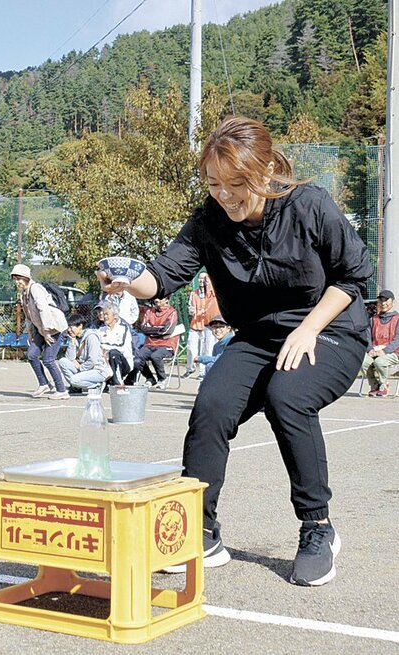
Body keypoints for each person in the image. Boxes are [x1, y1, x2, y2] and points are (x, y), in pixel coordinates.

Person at [98, 117, 372, 587]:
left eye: (236, 183)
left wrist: (307, 329)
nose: (224, 194)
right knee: (211, 407)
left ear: (265, 171)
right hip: (258, 336)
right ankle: (200, 531)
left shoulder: (309, 206)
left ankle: (318, 528)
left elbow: (354, 277)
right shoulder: (208, 220)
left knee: (288, 398)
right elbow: (161, 278)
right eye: (214, 183)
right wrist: (129, 276)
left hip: (328, 328)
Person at [11, 264, 69, 400]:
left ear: (26, 278)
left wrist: (47, 331)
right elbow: (28, 315)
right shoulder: (23, 294)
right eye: (15, 279)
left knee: (48, 359)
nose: (17, 282)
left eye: (19, 278)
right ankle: (44, 384)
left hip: (54, 326)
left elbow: (43, 309)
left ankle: (62, 390)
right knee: (31, 355)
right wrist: (31, 333)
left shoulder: (35, 289)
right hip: (40, 328)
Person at [128, 297, 179, 389]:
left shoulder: (172, 312)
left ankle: (162, 379)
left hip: (166, 345)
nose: (156, 299)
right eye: (155, 298)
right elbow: (143, 328)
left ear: (166, 299)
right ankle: (150, 378)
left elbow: (167, 330)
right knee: (137, 358)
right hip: (149, 344)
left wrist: (152, 330)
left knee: (155, 356)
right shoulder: (149, 312)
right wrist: (158, 329)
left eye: (160, 298)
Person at [57, 314, 112, 393]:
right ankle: (77, 387)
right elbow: (69, 358)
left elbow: (93, 360)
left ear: (80, 326)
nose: (69, 330)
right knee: (63, 361)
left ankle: (97, 385)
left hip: (98, 371)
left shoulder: (91, 337)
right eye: (68, 327)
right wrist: (72, 342)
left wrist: (80, 367)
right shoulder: (76, 338)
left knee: (73, 380)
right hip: (86, 369)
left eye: (71, 327)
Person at [359, 290, 399, 397]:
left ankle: (384, 385)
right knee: (362, 361)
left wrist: (385, 351)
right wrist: (370, 349)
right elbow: (367, 337)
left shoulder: (398, 318)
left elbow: (398, 340)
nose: (383, 303)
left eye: (386, 300)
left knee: (380, 362)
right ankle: (374, 385)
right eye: (381, 300)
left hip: (393, 353)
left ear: (393, 302)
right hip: (375, 351)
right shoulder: (372, 319)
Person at [185, 272, 219, 378]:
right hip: (195, 325)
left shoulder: (212, 294)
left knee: (207, 349)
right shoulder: (194, 293)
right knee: (191, 348)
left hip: (207, 325)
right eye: (200, 279)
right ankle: (190, 368)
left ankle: (203, 372)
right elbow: (190, 309)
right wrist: (194, 311)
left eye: (204, 279)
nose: (202, 281)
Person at [94, 301, 134, 385]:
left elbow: (121, 347)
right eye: (104, 314)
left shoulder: (123, 328)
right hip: (105, 362)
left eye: (106, 314)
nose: (104, 317)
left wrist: (104, 349)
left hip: (123, 363)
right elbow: (97, 345)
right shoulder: (101, 330)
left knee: (114, 353)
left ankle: (118, 383)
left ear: (115, 315)